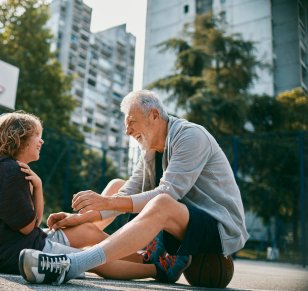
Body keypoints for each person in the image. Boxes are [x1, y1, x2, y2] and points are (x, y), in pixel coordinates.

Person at [19, 89, 249, 284]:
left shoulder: (190, 136)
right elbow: (128, 192)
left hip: (219, 230)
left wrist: (106, 202)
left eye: (131, 122)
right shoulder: (149, 150)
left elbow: (169, 193)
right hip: (182, 228)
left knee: (161, 201)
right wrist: (79, 218)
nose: (127, 131)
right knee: (119, 186)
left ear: (154, 115)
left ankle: (72, 264)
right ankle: (57, 245)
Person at [0, 111, 110, 275]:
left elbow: (32, 225)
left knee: (88, 231)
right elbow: (29, 228)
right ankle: (146, 268)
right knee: (96, 260)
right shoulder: (10, 171)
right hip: (14, 253)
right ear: (18, 138)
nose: (41, 140)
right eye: (36, 135)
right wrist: (38, 190)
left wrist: (38, 186)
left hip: (14, 248)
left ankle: (142, 257)